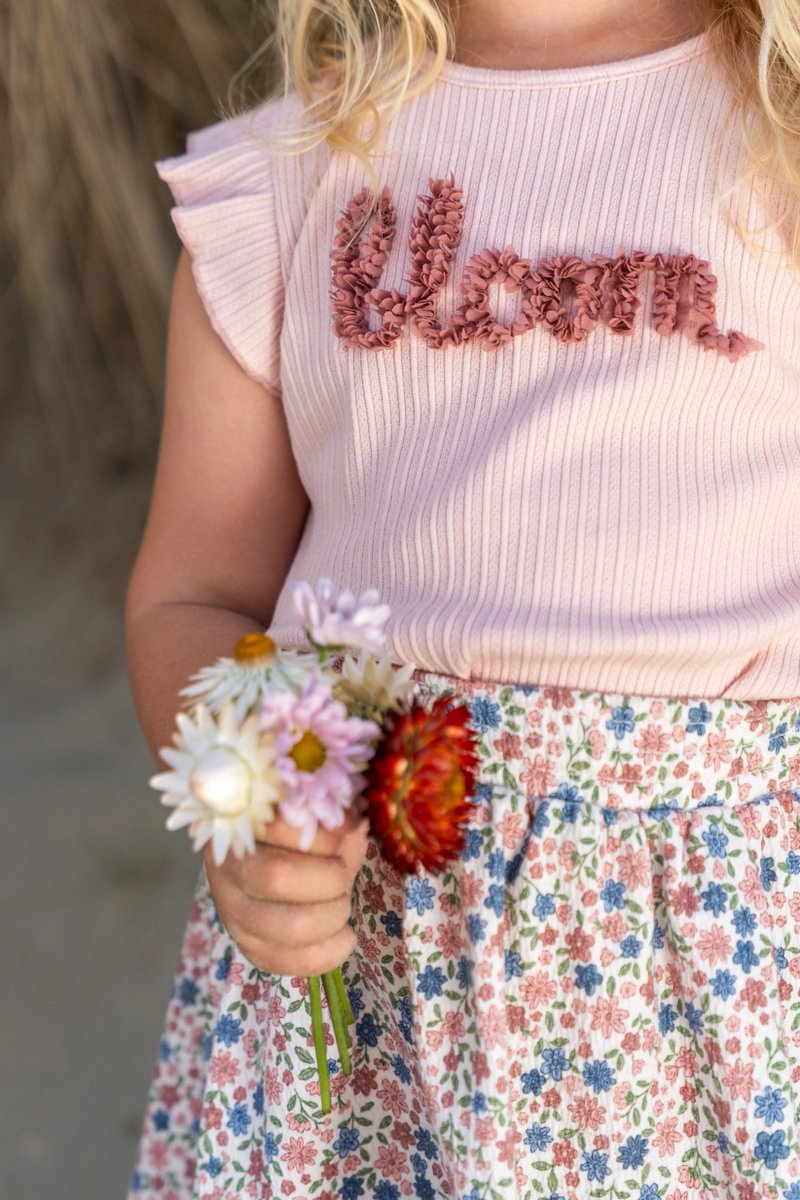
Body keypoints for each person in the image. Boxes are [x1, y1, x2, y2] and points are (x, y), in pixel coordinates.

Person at [124, 0, 800, 1195]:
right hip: (380, 968)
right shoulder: (297, 174)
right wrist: (252, 793)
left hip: (732, 956)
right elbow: (194, 592)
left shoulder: (777, 128)